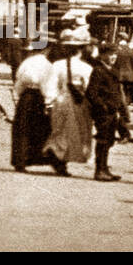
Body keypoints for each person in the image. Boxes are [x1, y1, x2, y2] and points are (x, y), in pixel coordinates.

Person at [42, 26, 93, 175]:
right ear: (81, 49)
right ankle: (62, 159)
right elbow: (89, 88)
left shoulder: (57, 65)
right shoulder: (86, 68)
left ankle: (58, 158)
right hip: (79, 104)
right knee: (75, 133)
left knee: (60, 131)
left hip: (60, 100)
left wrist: (49, 102)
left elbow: (50, 85)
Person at [88, 43, 130, 182]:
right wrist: (103, 107)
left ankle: (104, 168)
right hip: (103, 113)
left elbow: (118, 92)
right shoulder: (99, 71)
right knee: (103, 140)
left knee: (109, 140)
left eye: (114, 55)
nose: (113, 57)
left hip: (112, 111)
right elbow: (92, 93)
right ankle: (99, 170)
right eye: (110, 54)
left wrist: (121, 111)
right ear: (102, 55)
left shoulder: (112, 70)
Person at [11, 37, 53, 171]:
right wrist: (49, 101)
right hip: (38, 97)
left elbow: (19, 80)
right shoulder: (47, 65)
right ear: (46, 49)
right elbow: (47, 85)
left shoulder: (27, 62)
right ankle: (32, 158)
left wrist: (18, 94)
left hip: (25, 96)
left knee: (22, 128)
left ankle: (19, 161)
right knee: (36, 129)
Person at [113, 30, 133, 106]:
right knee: (128, 93)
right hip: (130, 75)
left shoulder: (115, 49)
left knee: (120, 92)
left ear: (119, 38)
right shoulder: (132, 51)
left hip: (119, 74)